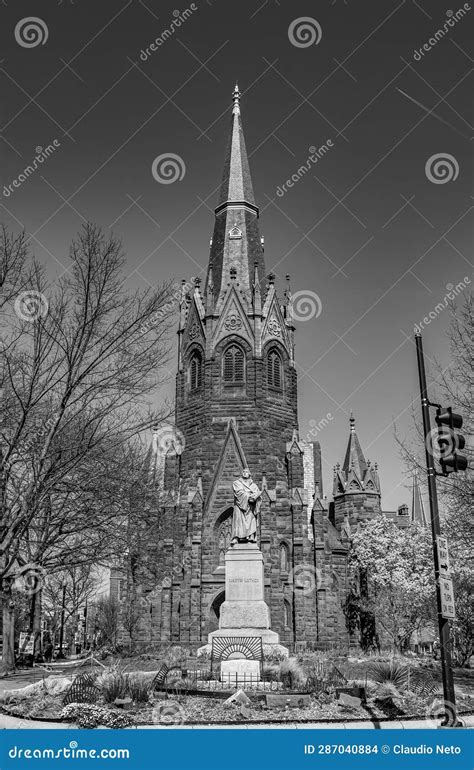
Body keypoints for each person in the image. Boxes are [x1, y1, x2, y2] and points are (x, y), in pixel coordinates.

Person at [231, 467, 262, 545]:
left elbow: (258, 494)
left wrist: (254, 498)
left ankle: (250, 536)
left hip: (250, 507)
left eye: (246, 472)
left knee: (251, 519)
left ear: (249, 474)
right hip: (239, 506)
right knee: (238, 520)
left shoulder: (254, 485)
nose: (245, 473)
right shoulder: (237, 483)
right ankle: (236, 537)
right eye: (243, 472)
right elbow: (239, 492)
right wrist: (249, 496)